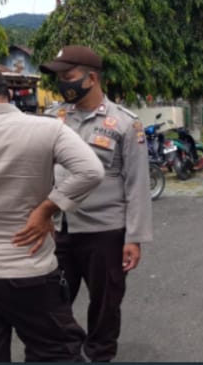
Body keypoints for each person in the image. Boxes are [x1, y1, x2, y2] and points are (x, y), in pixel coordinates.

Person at [0, 61, 104, 362]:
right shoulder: (46, 128)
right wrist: (48, 208)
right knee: (56, 352)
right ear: (7, 92)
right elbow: (91, 171)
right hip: (27, 269)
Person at [40, 45, 153, 362]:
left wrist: (134, 238)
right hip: (60, 230)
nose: (63, 83)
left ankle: (99, 354)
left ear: (92, 77)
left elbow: (137, 184)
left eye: (68, 76)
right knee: (53, 301)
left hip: (106, 232)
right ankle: (64, 352)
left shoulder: (124, 124)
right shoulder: (52, 119)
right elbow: (41, 173)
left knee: (106, 303)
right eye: (60, 77)